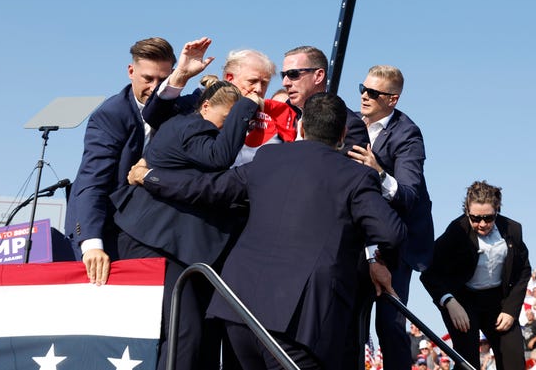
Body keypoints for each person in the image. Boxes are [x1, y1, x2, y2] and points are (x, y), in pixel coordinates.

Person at [127, 92, 407, 370]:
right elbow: (392, 233)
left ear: (301, 127)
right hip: (299, 322)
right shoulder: (356, 176)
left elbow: (209, 189)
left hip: (240, 309)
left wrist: (150, 176)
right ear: (344, 133)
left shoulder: (267, 159)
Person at [111, 76, 260, 370]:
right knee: (183, 332)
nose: (227, 128)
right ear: (205, 107)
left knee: (192, 333)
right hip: (158, 242)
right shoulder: (193, 126)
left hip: (173, 245)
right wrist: (245, 107)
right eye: (226, 119)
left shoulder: (194, 127)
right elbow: (219, 157)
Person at [64, 36, 214, 285]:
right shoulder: (110, 116)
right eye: (148, 78)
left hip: (152, 233)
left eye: (162, 80)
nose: (155, 87)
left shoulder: (180, 108)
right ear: (131, 71)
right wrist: (91, 244)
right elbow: (92, 182)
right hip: (107, 231)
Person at [347, 65, 434, 370]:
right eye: (362, 89)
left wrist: (379, 171)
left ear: (393, 99)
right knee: (352, 321)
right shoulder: (352, 123)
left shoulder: (408, 135)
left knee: (389, 323)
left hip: (398, 243)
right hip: (360, 239)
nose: (364, 97)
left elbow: (409, 196)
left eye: (373, 93)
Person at [420, 180, 531, 370]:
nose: (482, 224)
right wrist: (449, 302)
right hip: (463, 302)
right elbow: (429, 272)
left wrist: (511, 310)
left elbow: (523, 270)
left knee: (513, 357)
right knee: (468, 360)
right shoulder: (456, 231)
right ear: (467, 212)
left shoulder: (512, 230)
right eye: (475, 218)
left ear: (497, 211)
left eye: (488, 218)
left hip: (499, 303)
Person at [142, 48, 295, 167]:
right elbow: (154, 116)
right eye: (252, 81)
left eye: (264, 83)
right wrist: (181, 75)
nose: (258, 89)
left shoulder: (273, 114)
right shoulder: (200, 101)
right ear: (230, 78)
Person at [280, 45, 369, 152]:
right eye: (283, 75)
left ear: (318, 76)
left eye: (293, 74)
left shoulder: (350, 125)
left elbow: (348, 168)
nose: (285, 83)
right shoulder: (281, 114)